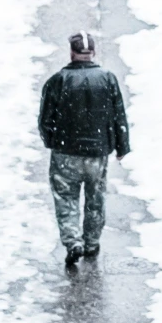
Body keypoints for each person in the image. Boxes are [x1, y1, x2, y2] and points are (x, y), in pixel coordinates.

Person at [37, 31, 130, 267]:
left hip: (65, 151)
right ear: (93, 53)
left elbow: (45, 119)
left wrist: (52, 141)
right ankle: (91, 242)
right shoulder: (107, 79)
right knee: (95, 198)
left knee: (66, 199)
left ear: (72, 52)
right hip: (97, 153)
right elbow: (119, 114)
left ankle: (73, 241)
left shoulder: (58, 81)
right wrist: (121, 145)